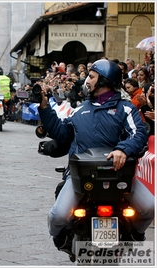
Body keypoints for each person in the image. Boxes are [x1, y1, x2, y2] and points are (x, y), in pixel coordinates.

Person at [37, 59, 153, 255]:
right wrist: (45, 108)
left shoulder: (126, 109)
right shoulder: (80, 109)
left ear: (103, 81)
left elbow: (139, 135)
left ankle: (135, 233)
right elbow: (62, 133)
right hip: (80, 178)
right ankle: (63, 238)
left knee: (150, 207)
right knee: (57, 216)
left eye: (91, 77)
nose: (87, 81)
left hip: (120, 178)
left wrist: (122, 150)